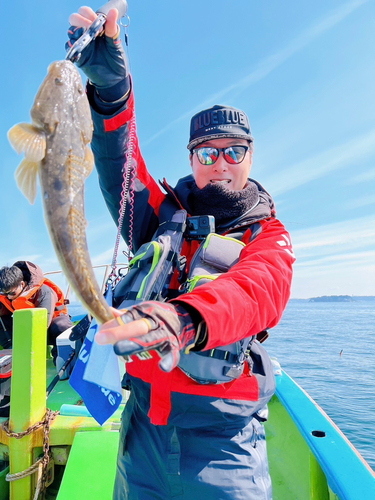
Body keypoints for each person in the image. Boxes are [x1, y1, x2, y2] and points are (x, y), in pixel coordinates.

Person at [67, 6, 295, 500]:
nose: (220, 164)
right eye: (207, 153)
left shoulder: (269, 234)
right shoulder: (160, 215)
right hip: (142, 430)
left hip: (224, 444)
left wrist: (180, 319)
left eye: (233, 151)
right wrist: (111, 94)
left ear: (250, 155)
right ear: (192, 159)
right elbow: (118, 167)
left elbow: (258, 290)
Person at [0, 261, 73, 358]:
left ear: (22, 283)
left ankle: (63, 360)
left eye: (12, 293)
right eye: (5, 294)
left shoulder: (44, 292)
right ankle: (11, 353)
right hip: (27, 328)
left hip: (48, 328)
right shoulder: (8, 293)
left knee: (60, 326)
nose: (9, 297)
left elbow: (43, 323)